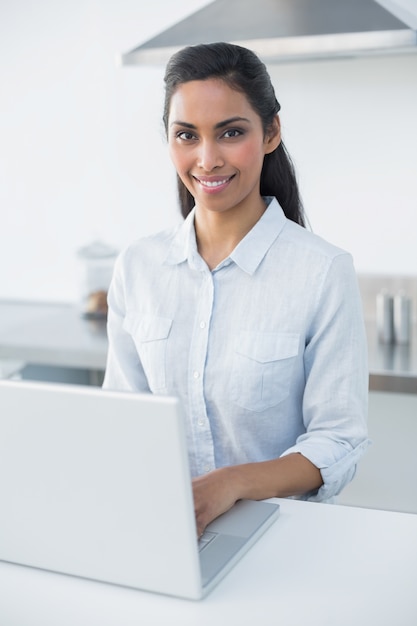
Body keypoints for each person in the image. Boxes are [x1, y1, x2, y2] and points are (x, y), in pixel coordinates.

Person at [103, 42, 369, 537]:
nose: (207, 160)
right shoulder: (138, 267)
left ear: (271, 132)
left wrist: (233, 483)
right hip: (162, 532)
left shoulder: (321, 271)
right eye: (187, 135)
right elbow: (122, 419)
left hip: (284, 536)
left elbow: (339, 440)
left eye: (230, 132)